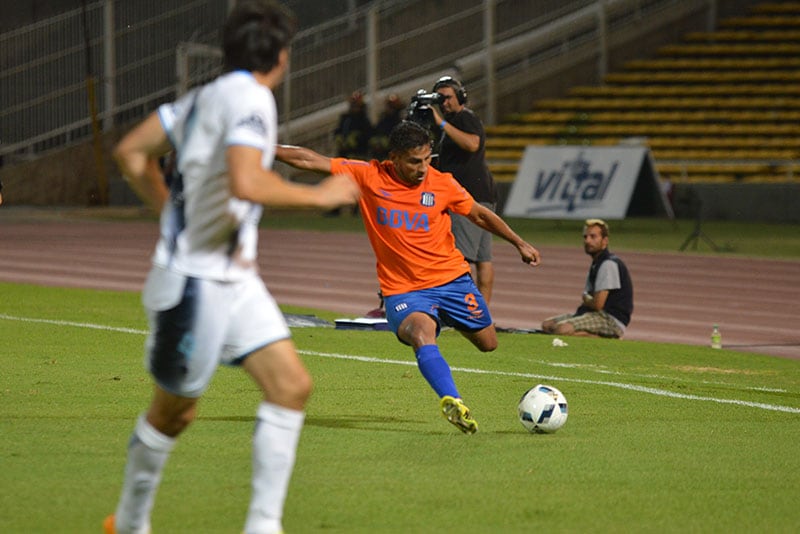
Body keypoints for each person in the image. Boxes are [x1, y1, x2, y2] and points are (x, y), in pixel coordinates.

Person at [104, 2, 359, 533]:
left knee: (291, 386)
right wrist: (321, 197)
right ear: (282, 56)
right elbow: (247, 180)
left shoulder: (207, 95)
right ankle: (128, 523)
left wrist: (170, 215)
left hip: (235, 278)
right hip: (196, 283)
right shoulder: (253, 99)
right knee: (174, 414)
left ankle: (264, 526)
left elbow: (132, 153)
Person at [276, 120, 541, 434]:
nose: (423, 168)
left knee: (488, 343)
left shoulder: (442, 183)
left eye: (428, 159)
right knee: (420, 334)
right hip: (404, 290)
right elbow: (310, 160)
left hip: (453, 280)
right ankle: (453, 400)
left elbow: (479, 214)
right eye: (415, 161)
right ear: (394, 158)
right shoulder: (370, 176)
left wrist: (519, 242)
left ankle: (441, 314)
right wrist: (262, 148)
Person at [429, 76, 499, 303]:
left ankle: (465, 311)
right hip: (482, 194)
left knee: (463, 258)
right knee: (483, 259)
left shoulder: (463, 118)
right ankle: (482, 314)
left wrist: (441, 123)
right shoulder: (455, 121)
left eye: (448, 97)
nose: (444, 103)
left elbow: (472, 144)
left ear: (460, 97)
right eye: (440, 99)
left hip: (469, 195)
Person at [541, 218, 633, 338]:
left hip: (610, 319)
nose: (588, 241)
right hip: (594, 314)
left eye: (593, 237)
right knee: (548, 325)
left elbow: (598, 304)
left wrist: (586, 299)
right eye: (585, 237)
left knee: (561, 329)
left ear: (605, 241)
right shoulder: (597, 263)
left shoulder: (608, 264)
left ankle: (608, 339)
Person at [328, 90, 373, 216]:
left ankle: (356, 211)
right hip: (343, 155)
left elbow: (367, 136)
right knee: (337, 182)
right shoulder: (345, 118)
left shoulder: (364, 120)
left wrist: (355, 140)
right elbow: (338, 131)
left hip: (357, 156)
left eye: (356, 104)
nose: (354, 107)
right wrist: (339, 138)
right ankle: (335, 209)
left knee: (357, 184)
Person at [368, 93, 405, 161]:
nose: (389, 109)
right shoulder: (383, 120)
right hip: (381, 155)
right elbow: (374, 133)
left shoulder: (400, 121)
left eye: (391, 106)